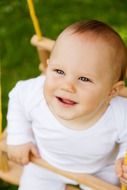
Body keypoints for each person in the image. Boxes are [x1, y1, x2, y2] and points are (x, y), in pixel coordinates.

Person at [7, 20, 127, 190]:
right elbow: (17, 97)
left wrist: (124, 158)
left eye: (84, 79)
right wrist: (19, 137)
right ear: (48, 68)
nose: (67, 86)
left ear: (112, 91)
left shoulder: (120, 112)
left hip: (100, 169)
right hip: (45, 161)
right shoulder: (34, 93)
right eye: (59, 71)